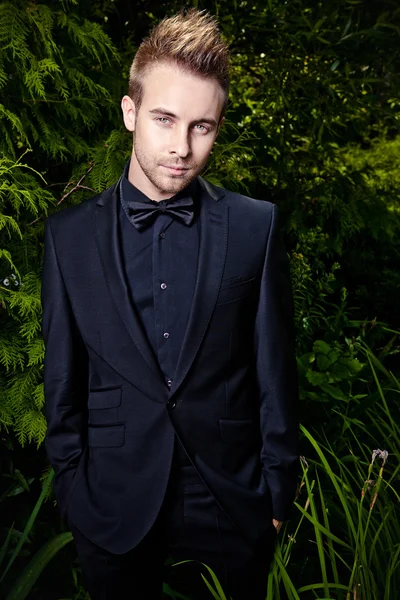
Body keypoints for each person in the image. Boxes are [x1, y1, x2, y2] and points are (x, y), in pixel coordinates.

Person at [41, 8, 299, 600]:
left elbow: (275, 372)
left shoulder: (255, 228)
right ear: (130, 113)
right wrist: (73, 490)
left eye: (202, 126)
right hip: (110, 500)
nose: (181, 147)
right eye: (164, 119)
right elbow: (63, 380)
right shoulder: (68, 237)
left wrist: (277, 496)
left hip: (231, 499)